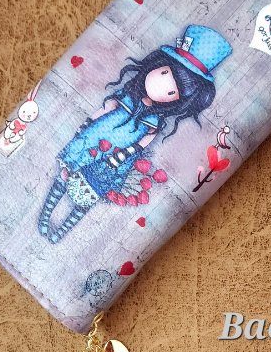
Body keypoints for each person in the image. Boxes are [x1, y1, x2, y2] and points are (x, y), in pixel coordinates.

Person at [38, 25, 232, 243]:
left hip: (117, 157)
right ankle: (45, 217)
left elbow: (144, 142)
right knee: (67, 173)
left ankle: (62, 231)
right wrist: (86, 125)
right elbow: (107, 108)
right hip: (95, 138)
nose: (160, 86)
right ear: (157, 65)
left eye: (171, 92)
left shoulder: (154, 120)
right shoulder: (128, 95)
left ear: (178, 100)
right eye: (164, 73)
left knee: (90, 193)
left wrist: (122, 155)